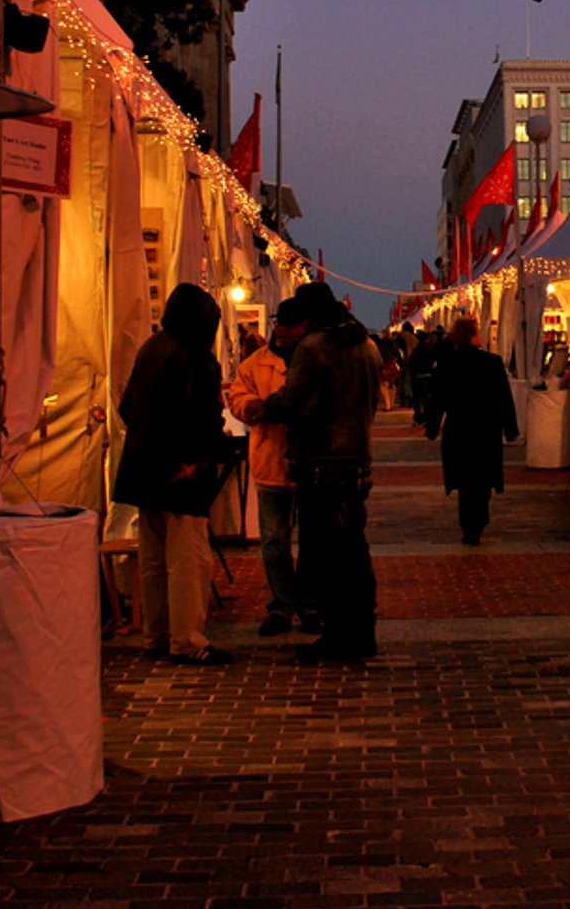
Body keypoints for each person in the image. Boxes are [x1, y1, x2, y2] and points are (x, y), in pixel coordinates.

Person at [262, 281, 383, 662]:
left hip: (321, 463)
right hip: (357, 459)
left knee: (327, 554)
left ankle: (339, 636)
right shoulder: (366, 346)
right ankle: (361, 630)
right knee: (355, 550)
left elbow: (292, 400)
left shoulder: (314, 348)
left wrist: (267, 405)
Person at [111, 282, 230, 665]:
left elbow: (127, 407)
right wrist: (203, 456)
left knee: (152, 559)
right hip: (183, 473)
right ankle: (188, 639)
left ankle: (156, 635)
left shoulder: (151, 348)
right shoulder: (196, 357)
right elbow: (202, 421)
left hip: (143, 469)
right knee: (187, 560)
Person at [230, 296, 314, 637]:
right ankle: (281, 605)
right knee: (274, 541)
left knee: (311, 542)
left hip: (309, 462)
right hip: (269, 459)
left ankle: (309, 604)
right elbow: (237, 397)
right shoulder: (255, 364)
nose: (282, 330)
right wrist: (255, 408)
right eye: (280, 322)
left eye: (290, 324)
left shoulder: (313, 360)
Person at [423, 317, 520, 545]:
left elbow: (436, 399)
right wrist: (510, 428)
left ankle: (469, 526)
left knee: (465, 481)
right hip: (486, 429)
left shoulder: (446, 363)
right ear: (473, 335)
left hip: (459, 428)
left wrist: (432, 427)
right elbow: (503, 399)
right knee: (482, 478)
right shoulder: (492, 362)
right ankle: (479, 519)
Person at [407, 324, 443, 425]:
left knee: (418, 399)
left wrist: (412, 373)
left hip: (417, 377)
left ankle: (418, 417)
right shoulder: (429, 350)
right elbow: (433, 361)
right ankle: (427, 417)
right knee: (427, 398)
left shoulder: (416, 351)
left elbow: (411, 363)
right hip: (428, 376)